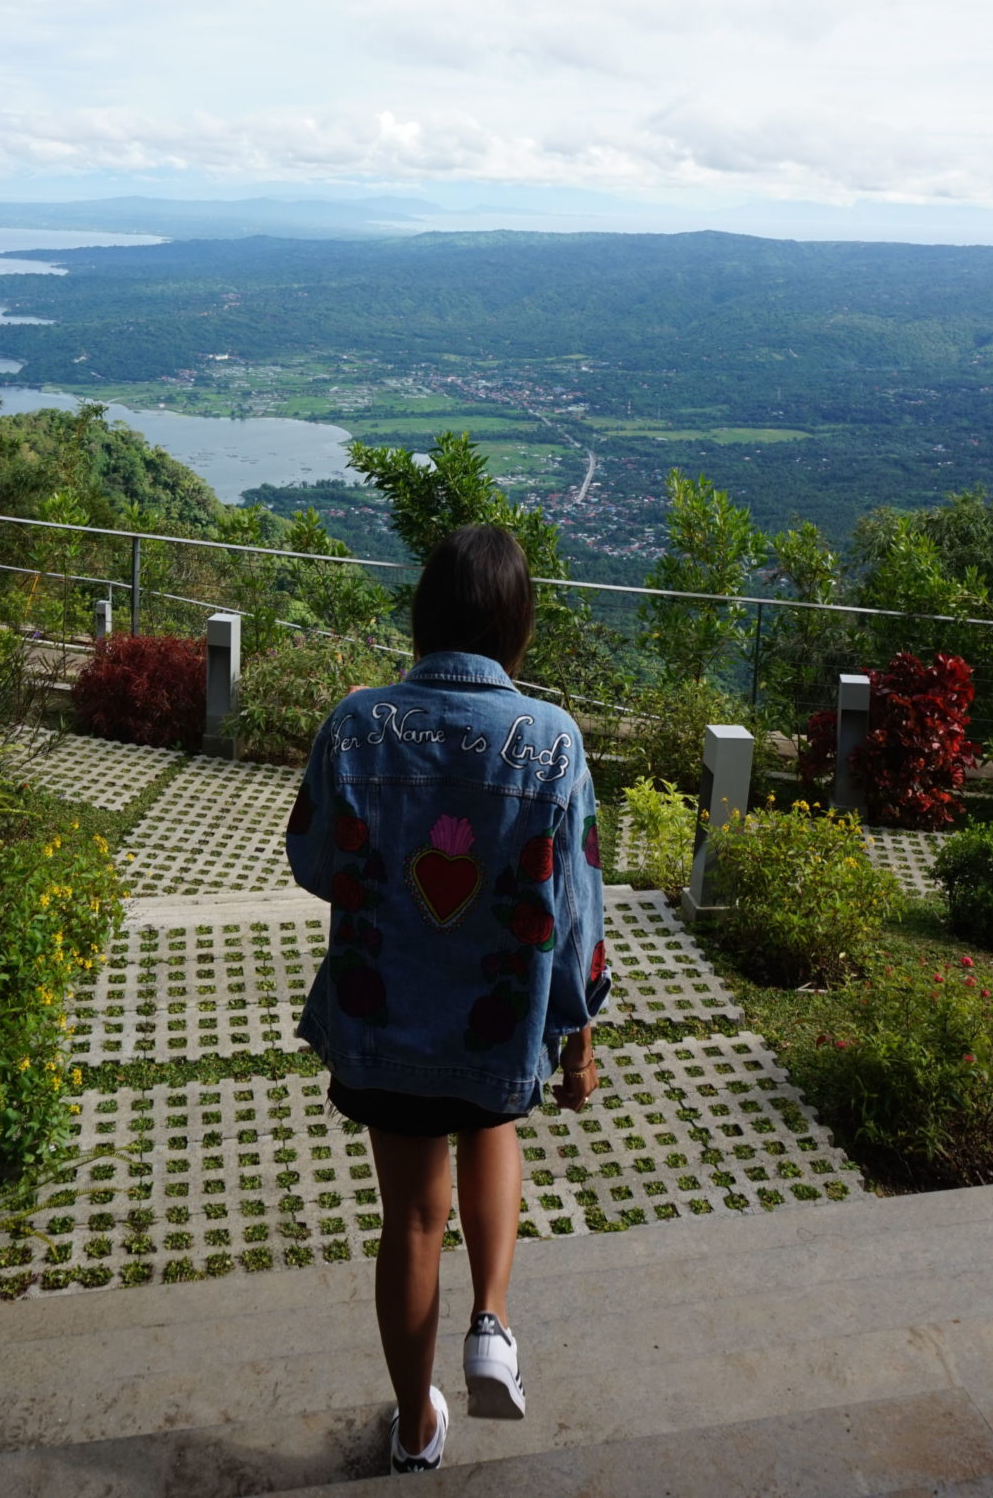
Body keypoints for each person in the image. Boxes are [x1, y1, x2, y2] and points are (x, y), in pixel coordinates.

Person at [285, 523, 610, 1476]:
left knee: (413, 1220)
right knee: (491, 1127)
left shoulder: (358, 724)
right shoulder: (552, 741)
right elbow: (577, 905)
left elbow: (315, 863)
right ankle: (492, 1324)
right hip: (499, 1026)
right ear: (517, 628)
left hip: (382, 1022)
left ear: (424, 615)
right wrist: (579, 1038)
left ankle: (415, 1428)